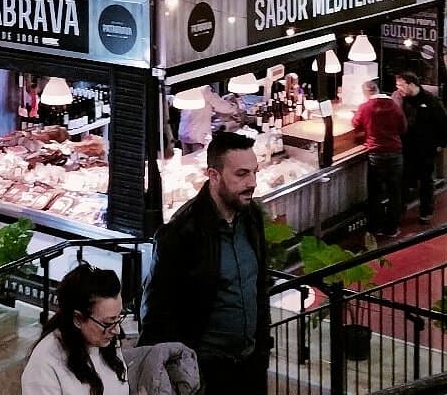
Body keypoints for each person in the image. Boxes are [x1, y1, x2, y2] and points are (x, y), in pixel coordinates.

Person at [140, 130, 271, 393]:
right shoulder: (181, 233)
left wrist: (262, 349)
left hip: (250, 365)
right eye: (241, 174)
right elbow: (158, 311)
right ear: (213, 175)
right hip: (204, 372)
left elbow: (259, 287)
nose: (252, 182)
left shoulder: (251, 216)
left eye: (254, 172)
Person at [21, 263, 131, 395]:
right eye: (108, 322)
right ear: (77, 319)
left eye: (118, 318)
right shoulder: (45, 364)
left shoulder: (106, 340)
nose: (117, 330)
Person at [393, 71, 447, 224]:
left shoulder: (431, 101)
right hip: (407, 148)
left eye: (401, 85)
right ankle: (400, 211)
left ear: (411, 84)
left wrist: (441, 144)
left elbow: (444, 123)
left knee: (426, 181)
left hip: (426, 149)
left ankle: (426, 212)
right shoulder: (400, 100)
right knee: (404, 180)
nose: (398, 88)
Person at [351, 78, 407, 237]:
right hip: (395, 153)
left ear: (366, 92)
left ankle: (375, 227)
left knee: (375, 192)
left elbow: (355, 124)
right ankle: (392, 228)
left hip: (376, 155)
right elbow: (403, 127)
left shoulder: (365, 107)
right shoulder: (394, 106)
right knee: (394, 191)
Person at [176, 85, 238, 154]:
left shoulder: (185, 87)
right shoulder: (205, 89)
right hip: (198, 135)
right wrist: (235, 107)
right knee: (200, 161)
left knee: (187, 161)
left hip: (184, 133)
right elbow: (221, 106)